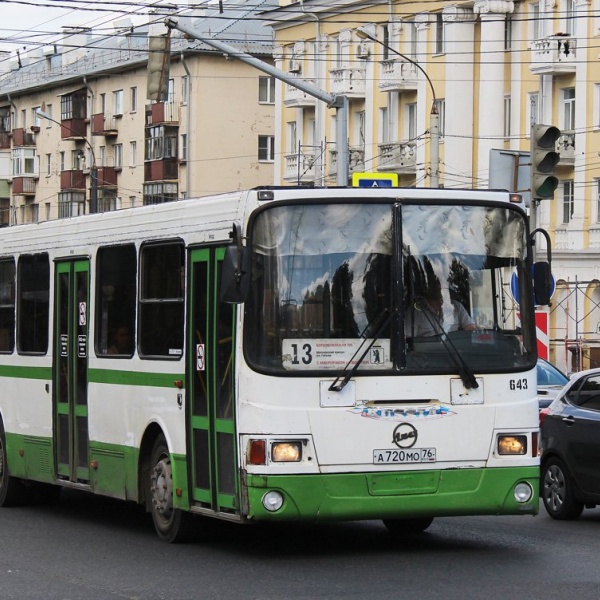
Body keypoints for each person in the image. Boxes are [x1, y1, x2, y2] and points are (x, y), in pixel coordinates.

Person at [405, 286, 476, 338]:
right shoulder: (415, 311)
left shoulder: (457, 307)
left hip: (455, 353)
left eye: (443, 298)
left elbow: (470, 328)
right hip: (426, 355)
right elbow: (408, 339)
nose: (440, 302)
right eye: (435, 299)